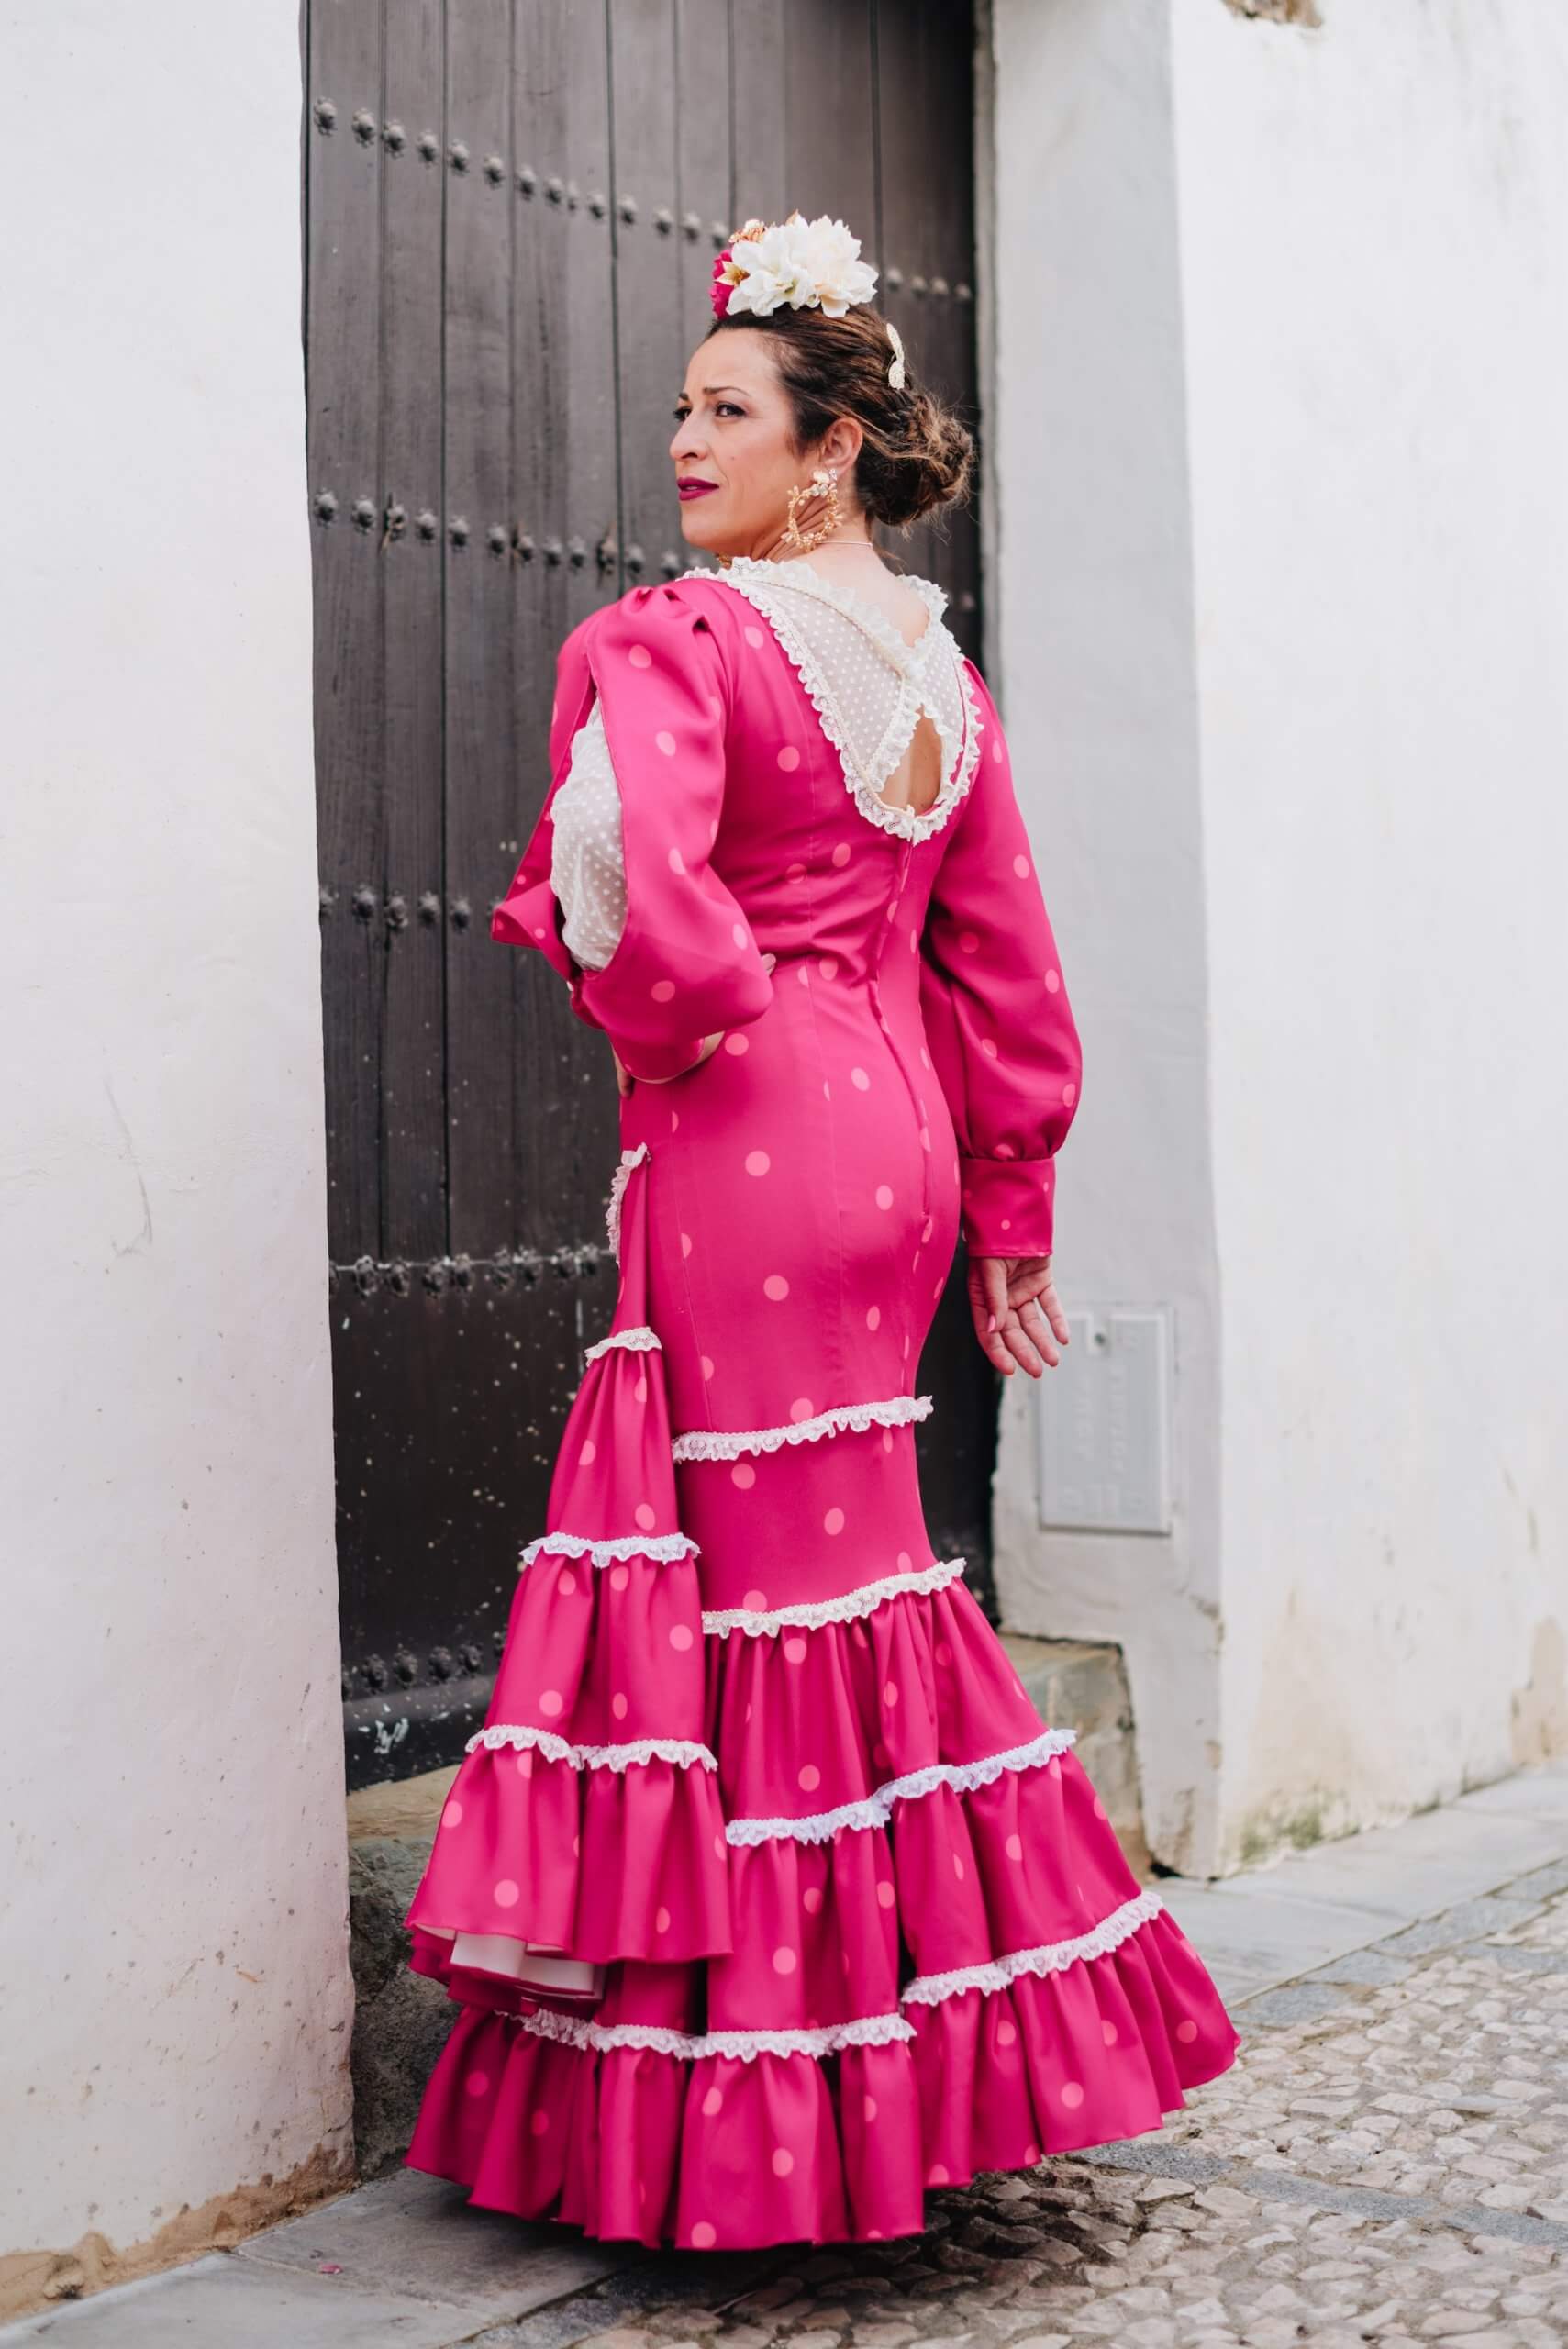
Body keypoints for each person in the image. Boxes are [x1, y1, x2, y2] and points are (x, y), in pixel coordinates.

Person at [400, 212, 1240, 2249]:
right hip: (904, 1151)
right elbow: (1006, 963)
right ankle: (911, 2061)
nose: (684, 442)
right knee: (849, 1577)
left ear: (828, 445)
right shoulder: (939, 676)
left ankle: (764, 2099)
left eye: (726, 411)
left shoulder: (679, 638)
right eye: (682, 410)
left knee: (754, 1600)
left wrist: (677, 1023)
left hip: (753, 1136)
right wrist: (1011, 1206)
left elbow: (638, 884)